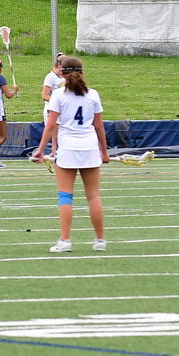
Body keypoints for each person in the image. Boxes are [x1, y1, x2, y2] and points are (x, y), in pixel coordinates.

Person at [29, 56, 108, 253]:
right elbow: (99, 127)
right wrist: (104, 152)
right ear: (82, 73)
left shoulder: (58, 95)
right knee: (93, 196)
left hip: (68, 149)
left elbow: (50, 125)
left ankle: (65, 241)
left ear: (62, 74)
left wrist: (40, 149)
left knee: (65, 196)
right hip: (90, 148)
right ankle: (100, 240)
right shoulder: (93, 94)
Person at [39, 53, 67, 170]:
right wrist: (58, 102)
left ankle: (52, 156)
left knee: (60, 135)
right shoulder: (51, 77)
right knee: (56, 135)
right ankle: (54, 158)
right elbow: (45, 95)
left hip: (63, 110)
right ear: (59, 64)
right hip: (52, 110)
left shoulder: (65, 77)